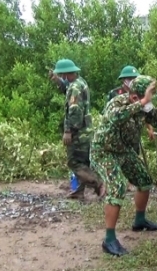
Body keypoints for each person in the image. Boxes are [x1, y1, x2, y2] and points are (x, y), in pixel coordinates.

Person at [90, 75, 157, 256]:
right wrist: (141, 103)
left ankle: (139, 221)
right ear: (135, 97)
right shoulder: (116, 104)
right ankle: (109, 240)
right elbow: (115, 118)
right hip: (104, 152)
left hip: (124, 151)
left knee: (144, 180)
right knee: (117, 188)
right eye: (150, 96)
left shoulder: (144, 108)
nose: (152, 101)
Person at [49, 59, 105, 199]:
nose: (62, 77)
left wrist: (69, 131)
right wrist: (58, 82)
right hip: (86, 131)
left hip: (79, 132)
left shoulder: (75, 88)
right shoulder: (80, 82)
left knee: (74, 162)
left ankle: (99, 184)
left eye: (62, 75)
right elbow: (67, 89)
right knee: (84, 162)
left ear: (67, 74)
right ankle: (80, 192)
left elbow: (75, 111)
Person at [106, 65, 155, 191]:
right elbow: (109, 115)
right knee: (117, 158)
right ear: (123, 80)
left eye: (134, 78)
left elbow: (145, 112)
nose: (132, 81)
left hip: (133, 132)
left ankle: (130, 181)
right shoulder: (114, 94)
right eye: (129, 79)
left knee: (133, 154)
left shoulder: (140, 93)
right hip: (117, 133)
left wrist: (149, 128)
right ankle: (116, 181)